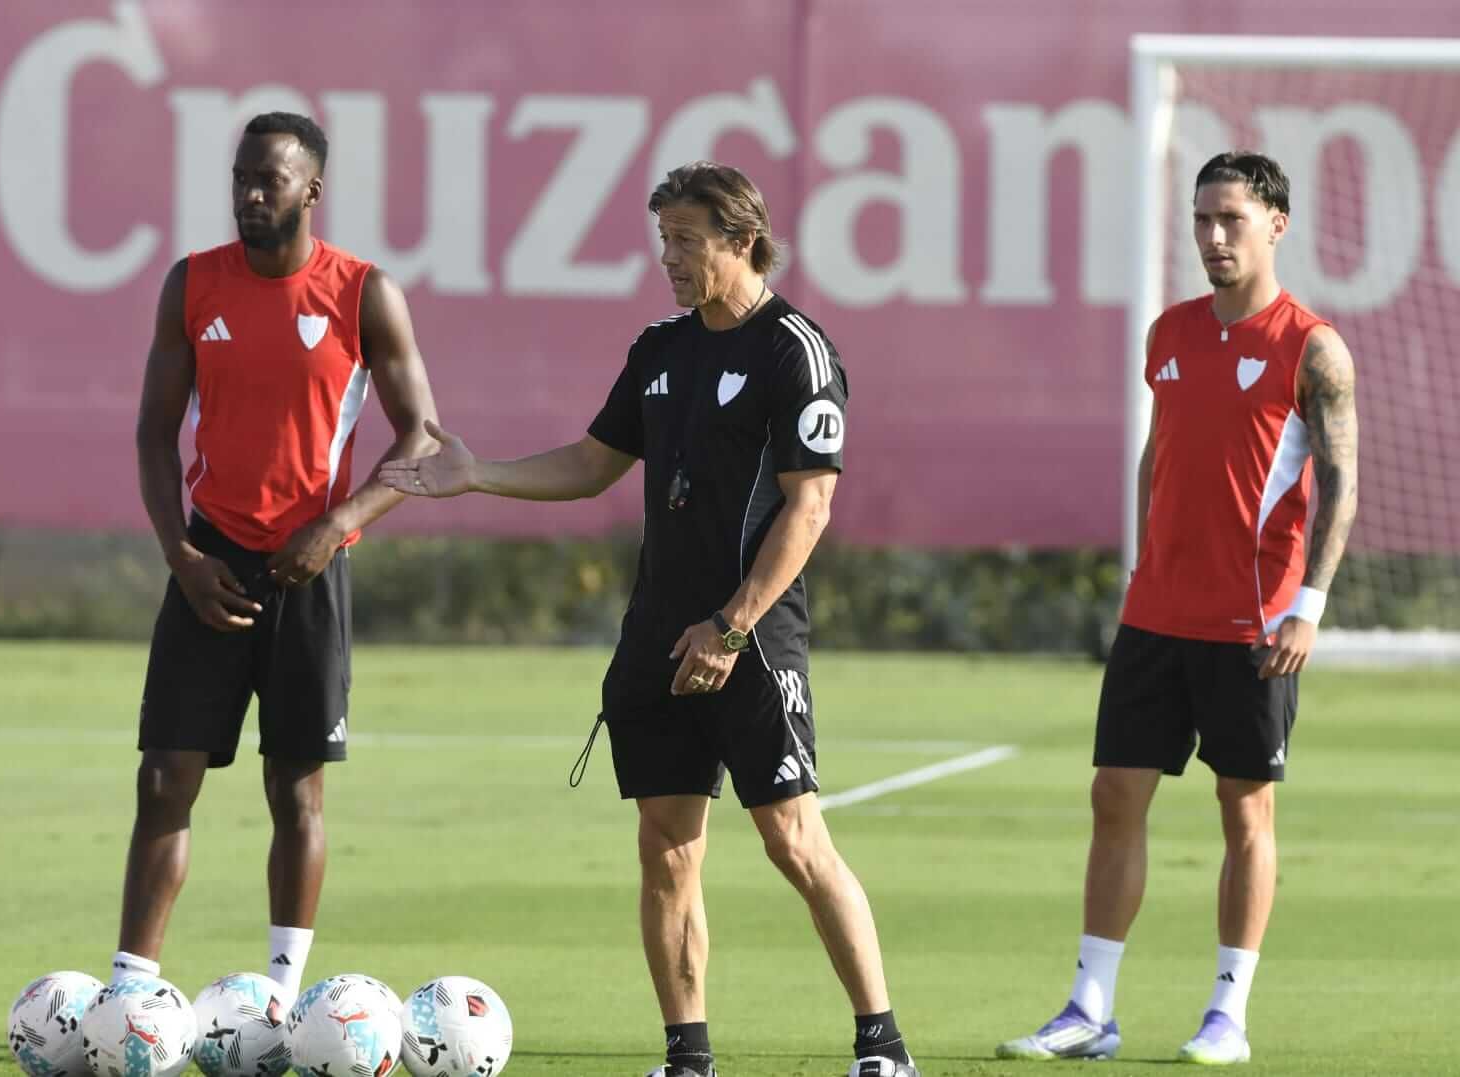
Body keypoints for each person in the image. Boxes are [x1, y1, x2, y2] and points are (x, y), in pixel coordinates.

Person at [380, 161, 918, 1077]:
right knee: (666, 851)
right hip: (655, 638)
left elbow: (810, 509)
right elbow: (593, 463)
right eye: (663, 238)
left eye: (686, 240)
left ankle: (883, 1046)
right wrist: (479, 473)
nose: (667, 257)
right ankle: (688, 1057)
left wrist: (734, 626)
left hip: (749, 641)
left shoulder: (796, 351)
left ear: (742, 239)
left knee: (794, 838)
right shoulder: (661, 349)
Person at [996, 151, 1359, 1066]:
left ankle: (1227, 1014)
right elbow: (1156, 457)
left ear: (1277, 222)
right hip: (1157, 613)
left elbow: (1343, 482)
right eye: (1201, 219)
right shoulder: (1171, 332)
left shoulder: (1312, 346)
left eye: (1231, 219)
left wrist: (1309, 606)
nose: (1213, 236)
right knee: (1114, 794)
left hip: (1255, 623)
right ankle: (1090, 1008)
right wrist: (1138, 567)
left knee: (1246, 814)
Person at [112, 112, 439, 1003]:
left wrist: (337, 525)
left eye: (271, 180)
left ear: (312, 191)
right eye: (241, 178)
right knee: (163, 776)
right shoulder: (193, 284)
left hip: (310, 569)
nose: (252, 195)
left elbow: (422, 436)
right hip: (208, 564)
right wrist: (180, 553)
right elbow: (152, 431)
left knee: (294, 788)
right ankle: (131, 989)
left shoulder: (363, 292)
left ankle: (284, 998)